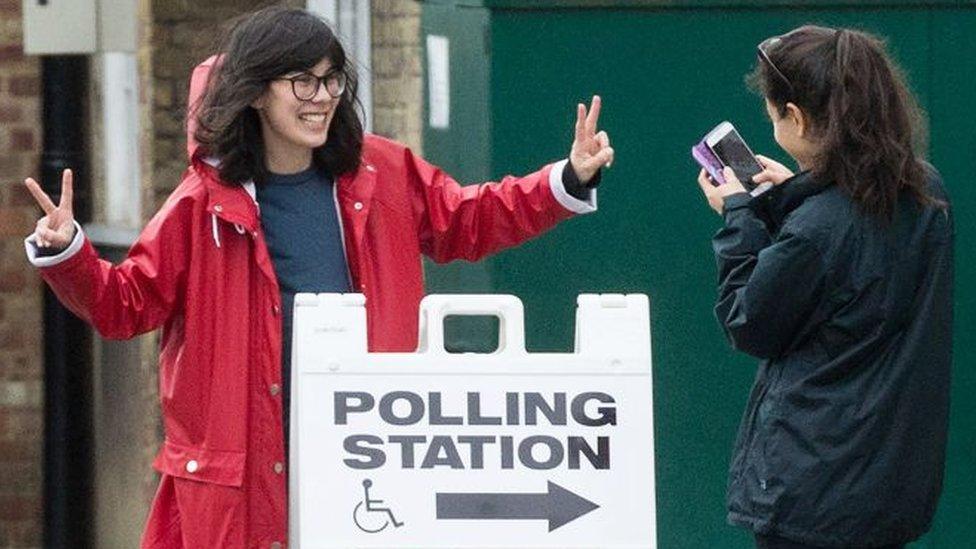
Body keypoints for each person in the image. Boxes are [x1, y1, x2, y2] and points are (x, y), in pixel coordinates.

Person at [22, 6, 613, 548]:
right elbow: (126, 305)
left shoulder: (382, 172)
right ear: (256, 93)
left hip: (367, 457)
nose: (322, 97)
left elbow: (468, 218)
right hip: (247, 477)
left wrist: (565, 180)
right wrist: (68, 251)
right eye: (302, 81)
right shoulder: (200, 204)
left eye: (332, 80)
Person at [695, 25, 954, 549]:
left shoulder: (816, 231)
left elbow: (749, 322)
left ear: (796, 117)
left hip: (815, 495)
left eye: (773, 116)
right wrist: (794, 193)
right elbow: (857, 259)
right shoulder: (925, 189)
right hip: (889, 486)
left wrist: (739, 216)